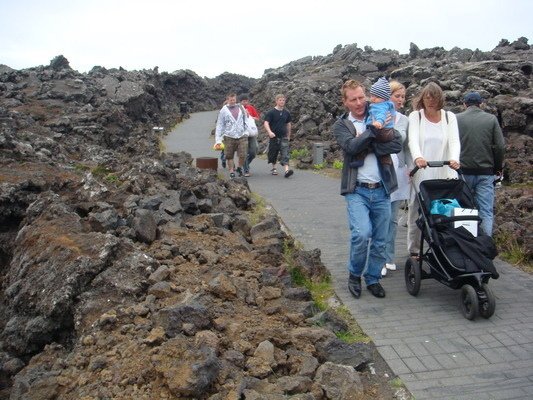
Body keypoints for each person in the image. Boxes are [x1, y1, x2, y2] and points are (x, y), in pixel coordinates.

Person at [332, 79, 402, 299]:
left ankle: (372, 278)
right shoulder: (341, 125)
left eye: (362, 97)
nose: (360, 102)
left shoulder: (380, 111)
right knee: (362, 234)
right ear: (345, 102)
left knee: (381, 239)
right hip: (356, 190)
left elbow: (397, 144)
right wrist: (373, 133)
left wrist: (366, 141)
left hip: (382, 188)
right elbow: (351, 147)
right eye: (353, 99)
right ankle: (355, 275)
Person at [407, 82, 461, 257]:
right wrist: (418, 157)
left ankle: (444, 245)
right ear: (422, 99)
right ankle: (414, 249)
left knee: (444, 210)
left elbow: (454, 141)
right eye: (427, 98)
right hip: (422, 173)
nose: (430, 102)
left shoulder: (449, 117)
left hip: (444, 172)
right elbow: (412, 140)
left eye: (434, 98)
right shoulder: (416, 116)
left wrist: (454, 159)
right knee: (417, 211)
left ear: (440, 99)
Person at [456, 91, 505, 236]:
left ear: (464, 104)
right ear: (481, 104)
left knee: (463, 210)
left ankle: (465, 245)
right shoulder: (491, 119)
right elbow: (500, 146)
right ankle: (484, 249)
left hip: (463, 172)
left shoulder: (456, 119)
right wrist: (497, 168)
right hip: (485, 172)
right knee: (486, 211)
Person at [382, 80, 409, 277]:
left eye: (403, 96)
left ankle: (388, 256)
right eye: (397, 96)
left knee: (392, 219)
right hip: (380, 172)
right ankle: (378, 257)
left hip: (399, 173)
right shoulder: (377, 116)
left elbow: (407, 147)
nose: (401, 100)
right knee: (380, 218)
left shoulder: (406, 120)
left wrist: (411, 167)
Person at [353, 77, 396, 167]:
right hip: (388, 132)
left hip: (382, 131)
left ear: (384, 98)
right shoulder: (385, 104)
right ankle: (385, 160)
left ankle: (361, 158)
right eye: (372, 96)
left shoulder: (380, 106)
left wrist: (379, 123)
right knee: (381, 146)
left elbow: (381, 115)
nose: (372, 99)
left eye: (376, 97)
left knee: (366, 143)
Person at [215, 92, 248, 178]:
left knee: (243, 154)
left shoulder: (241, 107)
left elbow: (246, 119)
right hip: (229, 136)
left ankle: (239, 168)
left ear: (236, 99)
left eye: (234, 99)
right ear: (228, 100)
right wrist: (218, 139)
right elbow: (220, 124)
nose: (233, 101)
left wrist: (246, 131)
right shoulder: (223, 110)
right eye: (231, 99)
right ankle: (231, 172)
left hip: (241, 135)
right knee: (229, 155)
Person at [264, 94, 294, 178]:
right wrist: (269, 132)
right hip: (274, 137)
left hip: (283, 136)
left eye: (283, 100)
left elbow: (288, 124)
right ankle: (274, 168)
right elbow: (266, 123)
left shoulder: (286, 113)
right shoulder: (271, 112)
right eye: (280, 100)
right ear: (276, 101)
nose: (282, 102)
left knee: (285, 153)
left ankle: (287, 170)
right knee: (273, 153)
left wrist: (288, 135)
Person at [239, 94, 260, 177]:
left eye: (246, 101)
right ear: (240, 102)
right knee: (244, 152)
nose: (245, 103)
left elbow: (257, 118)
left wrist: (250, 117)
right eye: (243, 101)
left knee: (254, 150)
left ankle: (244, 164)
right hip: (242, 134)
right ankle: (246, 170)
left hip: (251, 133)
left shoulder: (251, 108)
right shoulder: (238, 109)